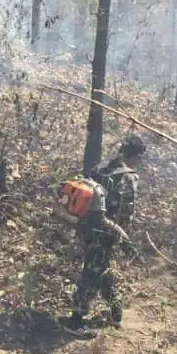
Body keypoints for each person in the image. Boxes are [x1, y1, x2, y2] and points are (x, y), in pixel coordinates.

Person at [69, 135, 147, 329]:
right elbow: (125, 213)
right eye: (140, 158)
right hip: (107, 232)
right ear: (136, 156)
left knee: (100, 267)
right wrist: (124, 238)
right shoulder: (128, 177)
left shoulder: (101, 168)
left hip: (87, 227)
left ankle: (115, 310)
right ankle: (76, 320)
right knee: (93, 272)